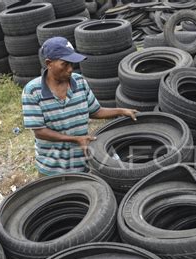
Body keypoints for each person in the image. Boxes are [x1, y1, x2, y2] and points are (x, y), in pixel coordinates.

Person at [22, 36, 138, 177]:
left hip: (81, 164)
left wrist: (121, 111)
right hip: (52, 169)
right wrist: (76, 139)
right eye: (65, 64)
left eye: (72, 64)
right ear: (49, 63)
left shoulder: (80, 82)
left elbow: (95, 111)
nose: (70, 69)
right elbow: (40, 131)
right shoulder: (32, 91)